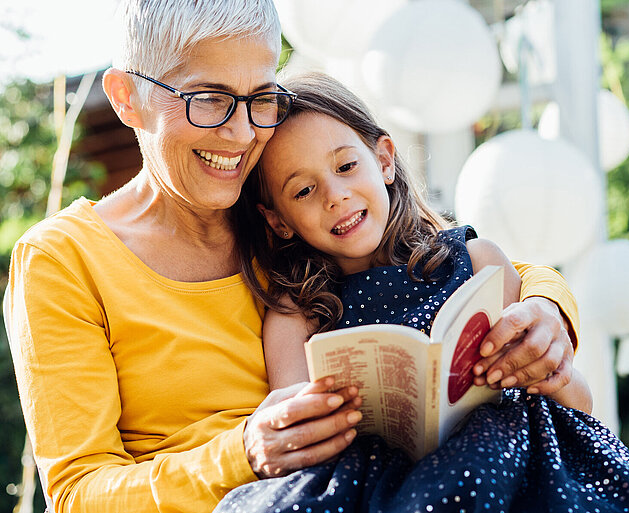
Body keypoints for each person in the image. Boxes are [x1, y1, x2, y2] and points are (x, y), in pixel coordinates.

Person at [4, 1, 586, 512]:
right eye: (208, 99)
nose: (239, 135)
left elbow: (446, 259)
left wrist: (547, 309)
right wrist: (244, 453)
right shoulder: (63, 260)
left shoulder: (289, 208)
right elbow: (79, 494)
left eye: (260, 98)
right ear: (127, 98)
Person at [213, 72, 629, 513]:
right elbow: (298, 443)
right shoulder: (296, 315)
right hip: (372, 484)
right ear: (277, 221)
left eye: (347, 166)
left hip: (505, 463)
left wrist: (546, 372)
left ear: (384, 160)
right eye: (304, 191)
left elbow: (579, 406)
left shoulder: (478, 261)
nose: (335, 196)